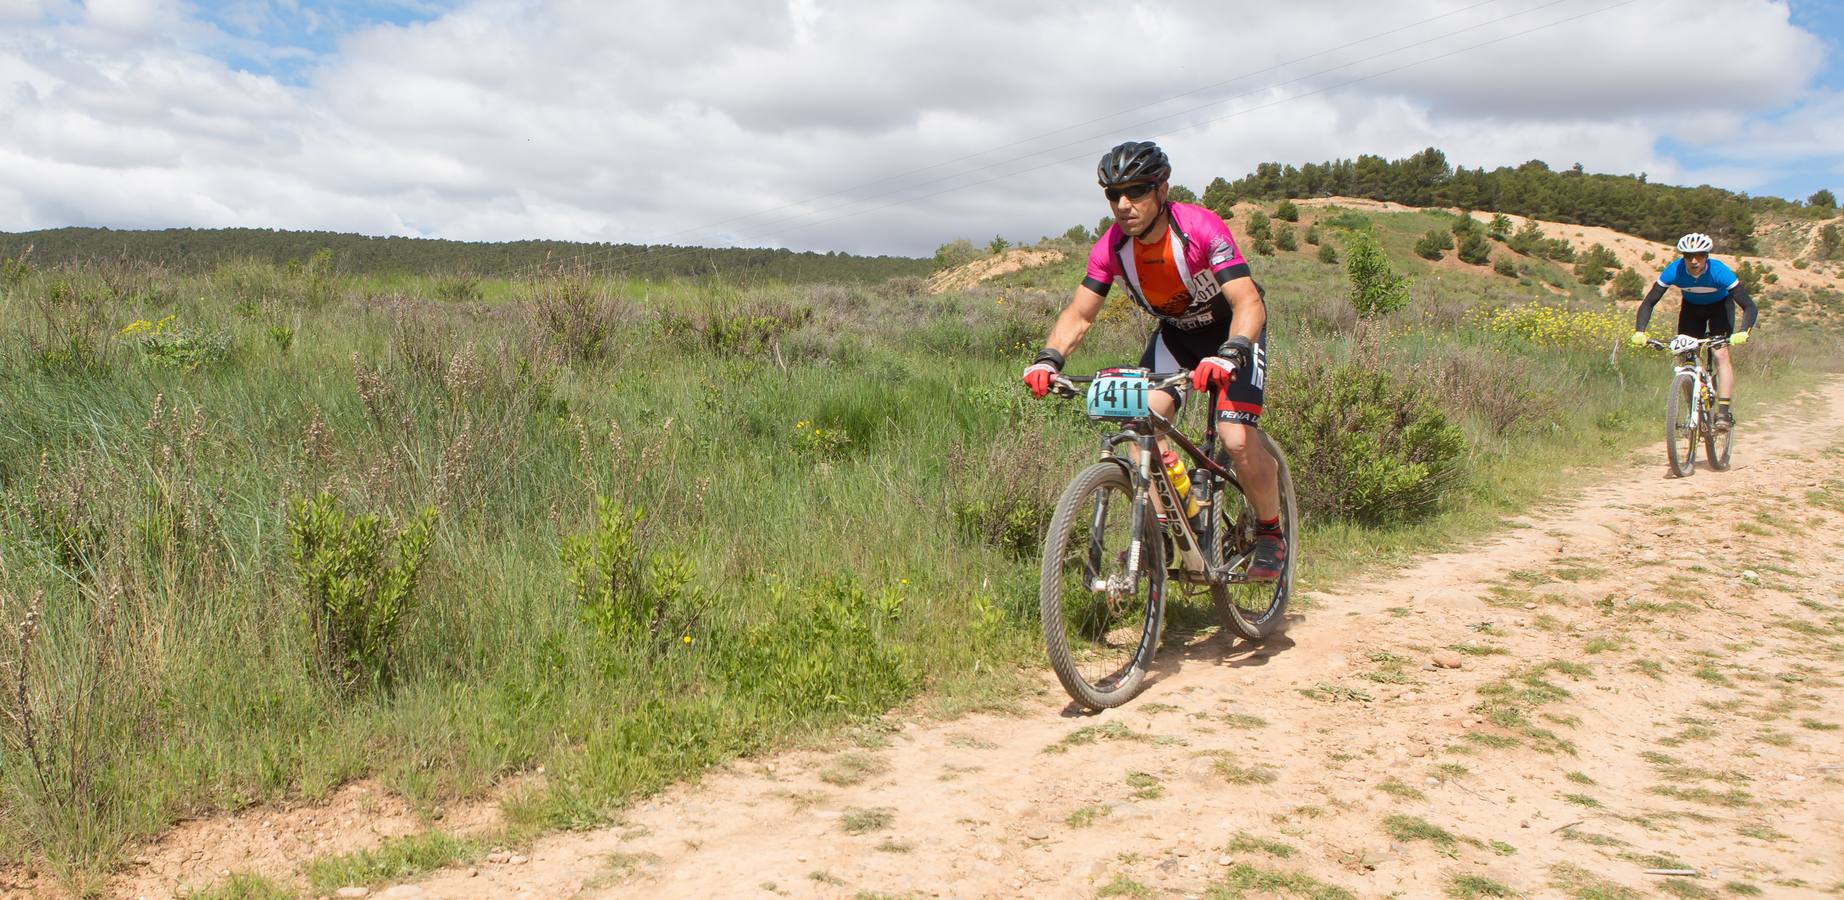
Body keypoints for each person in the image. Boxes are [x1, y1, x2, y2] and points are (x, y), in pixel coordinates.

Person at [1021, 140, 1285, 581]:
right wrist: (1048, 360)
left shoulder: (1200, 227)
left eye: (1137, 191)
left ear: (1162, 189)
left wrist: (1234, 350)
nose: (1124, 205)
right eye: (1113, 195)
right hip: (1178, 336)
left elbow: (1248, 301)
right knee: (1144, 423)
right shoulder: (1111, 248)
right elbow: (1080, 314)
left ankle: (1270, 532)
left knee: (1235, 439)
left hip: (1232, 331)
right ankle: (1168, 530)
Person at [1627, 232, 1758, 430]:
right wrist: (1639, 331)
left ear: (1707, 256)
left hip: (1720, 309)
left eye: (1699, 255)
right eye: (1688, 256)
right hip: (1691, 310)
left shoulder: (1720, 272)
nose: (1694, 260)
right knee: (1686, 355)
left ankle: (1723, 411)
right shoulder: (1674, 270)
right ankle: (1693, 409)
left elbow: (1749, 306)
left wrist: (1743, 331)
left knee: (1720, 353)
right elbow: (1649, 302)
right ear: (1683, 257)